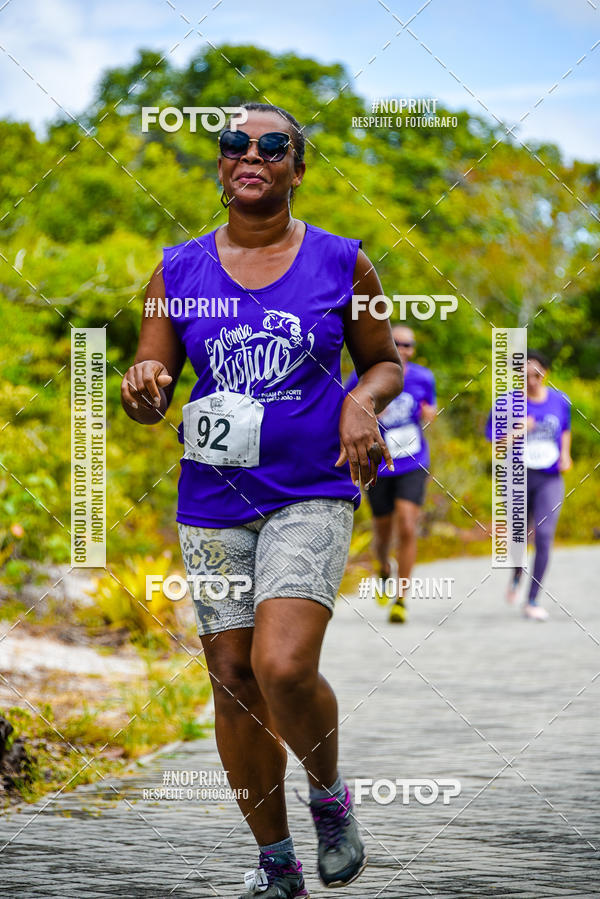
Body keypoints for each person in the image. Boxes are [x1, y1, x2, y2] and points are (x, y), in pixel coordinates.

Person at [121, 102, 403, 898]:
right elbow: (150, 382)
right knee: (234, 674)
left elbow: (385, 364)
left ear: (296, 168)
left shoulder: (345, 262)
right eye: (234, 144)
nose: (252, 154)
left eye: (273, 145)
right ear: (220, 167)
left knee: (282, 665)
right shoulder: (174, 270)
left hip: (311, 488)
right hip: (212, 496)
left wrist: (361, 400)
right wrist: (143, 388)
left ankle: (329, 796)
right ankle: (276, 862)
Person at [345, 326, 436, 623]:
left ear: (414, 349)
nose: (401, 348)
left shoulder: (423, 377)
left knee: (408, 526)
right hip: (378, 465)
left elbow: (429, 410)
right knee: (382, 533)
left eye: (407, 344)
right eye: (395, 342)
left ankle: (401, 600)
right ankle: (383, 568)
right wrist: (366, 414)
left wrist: (429, 415)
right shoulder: (365, 377)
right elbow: (344, 411)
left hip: (412, 461)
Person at [485, 350, 572, 621]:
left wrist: (566, 454)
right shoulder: (505, 404)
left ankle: (533, 599)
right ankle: (515, 573)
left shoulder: (559, 401)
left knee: (544, 535)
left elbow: (565, 429)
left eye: (536, 374)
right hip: (517, 478)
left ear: (545, 373)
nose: (531, 380)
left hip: (549, 478)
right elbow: (495, 445)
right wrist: (518, 431)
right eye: (524, 376)